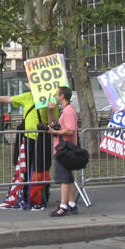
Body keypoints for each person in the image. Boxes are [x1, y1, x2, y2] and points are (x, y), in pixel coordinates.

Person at [0, 87, 58, 209]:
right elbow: (9, 99)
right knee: (25, 168)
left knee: (39, 168)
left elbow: (53, 123)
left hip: (42, 139)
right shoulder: (28, 96)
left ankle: (39, 198)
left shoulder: (52, 99)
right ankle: (25, 195)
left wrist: (50, 110)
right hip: (28, 138)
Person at [47, 86, 79, 217]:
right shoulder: (65, 111)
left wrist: (55, 132)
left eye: (56, 94)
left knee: (63, 178)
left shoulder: (69, 111)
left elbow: (70, 130)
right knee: (69, 178)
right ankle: (72, 204)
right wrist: (50, 111)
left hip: (65, 148)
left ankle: (63, 205)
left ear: (62, 96)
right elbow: (56, 123)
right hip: (63, 147)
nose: (55, 97)